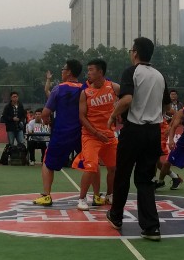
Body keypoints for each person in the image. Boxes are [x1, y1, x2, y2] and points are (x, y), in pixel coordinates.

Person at [106, 38, 170, 241]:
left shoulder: (132, 72)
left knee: (122, 174)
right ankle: (151, 227)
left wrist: (112, 116)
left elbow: (126, 100)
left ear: (135, 53)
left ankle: (116, 216)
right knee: (146, 179)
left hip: (134, 130)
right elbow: (167, 106)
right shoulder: (159, 76)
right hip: (153, 132)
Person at [32, 60, 83, 206]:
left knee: (47, 163)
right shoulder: (85, 88)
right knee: (91, 164)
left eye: (63, 69)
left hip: (62, 132)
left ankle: (46, 195)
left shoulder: (59, 89)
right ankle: (97, 195)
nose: (62, 71)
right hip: (81, 132)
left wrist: (46, 121)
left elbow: (45, 113)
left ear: (69, 72)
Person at [73, 59, 119, 210]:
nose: (88, 73)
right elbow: (81, 117)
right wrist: (96, 133)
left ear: (100, 72)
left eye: (91, 70)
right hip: (91, 136)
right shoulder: (85, 93)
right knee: (91, 167)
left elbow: (128, 100)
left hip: (109, 136)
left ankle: (110, 195)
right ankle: (82, 199)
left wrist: (119, 112)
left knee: (113, 168)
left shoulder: (114, 87)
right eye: (88, 70)